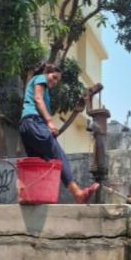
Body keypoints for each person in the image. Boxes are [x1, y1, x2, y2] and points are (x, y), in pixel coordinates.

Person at [19, 62, 100, 204]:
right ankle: (77, 193)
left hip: (25, 125)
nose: (54, 81)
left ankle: (32, 197)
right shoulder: (40, 79)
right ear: (47, 73)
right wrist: (50, 122)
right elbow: (38, 99)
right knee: (58, 156)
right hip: (33, 121)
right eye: (54, 77)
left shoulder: (37, 84)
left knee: (39, 163)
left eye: (57, 80)